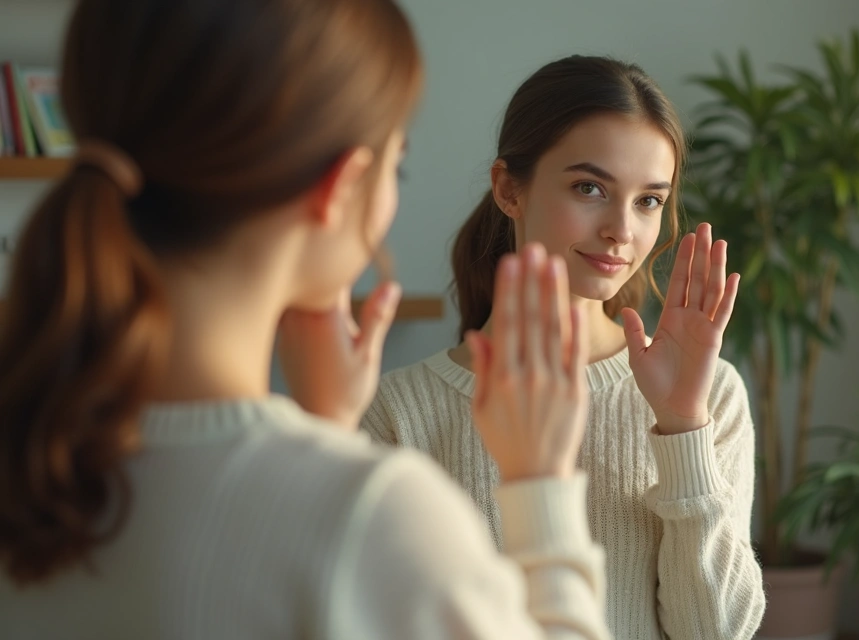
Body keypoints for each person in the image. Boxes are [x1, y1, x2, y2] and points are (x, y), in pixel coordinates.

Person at [0, 1, 607, 638]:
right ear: (342, 186)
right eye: (394, 164)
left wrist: (326, 434)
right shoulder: (375, 517)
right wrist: (541, 483)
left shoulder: (36, 461)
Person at [363, 55, 766, 639]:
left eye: (649, 200)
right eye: (589, 187)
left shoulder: (709, 394)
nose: (622, 230)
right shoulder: (400, 414)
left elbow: (716, 632)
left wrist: (683, 427)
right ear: (508, 189)